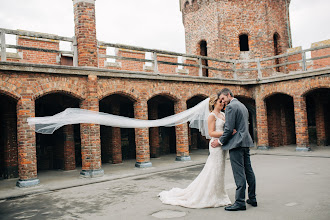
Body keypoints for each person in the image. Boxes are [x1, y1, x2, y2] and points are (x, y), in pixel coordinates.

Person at [158, 94, 232, 208]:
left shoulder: (222, 114)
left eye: (222, 101)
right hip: (215, 146)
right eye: (220, 101)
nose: (222, 103)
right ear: (214, 103)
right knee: (214, 170)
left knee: (220, 171)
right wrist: (227, 133)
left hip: (222, 147)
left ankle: (219, 194)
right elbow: (211, 133)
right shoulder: (212, 116)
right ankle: (211, 195)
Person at [211, 88, 257, 211]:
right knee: (248, 170)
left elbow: (229, 129)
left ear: (228, 95)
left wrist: (220, 142)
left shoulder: (231, 107)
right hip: (246, 142)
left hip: (236, 144)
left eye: (223, 98)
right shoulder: (242, 106)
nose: (222, 101)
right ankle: (252, 198)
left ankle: (240, 202)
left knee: (239, 173)